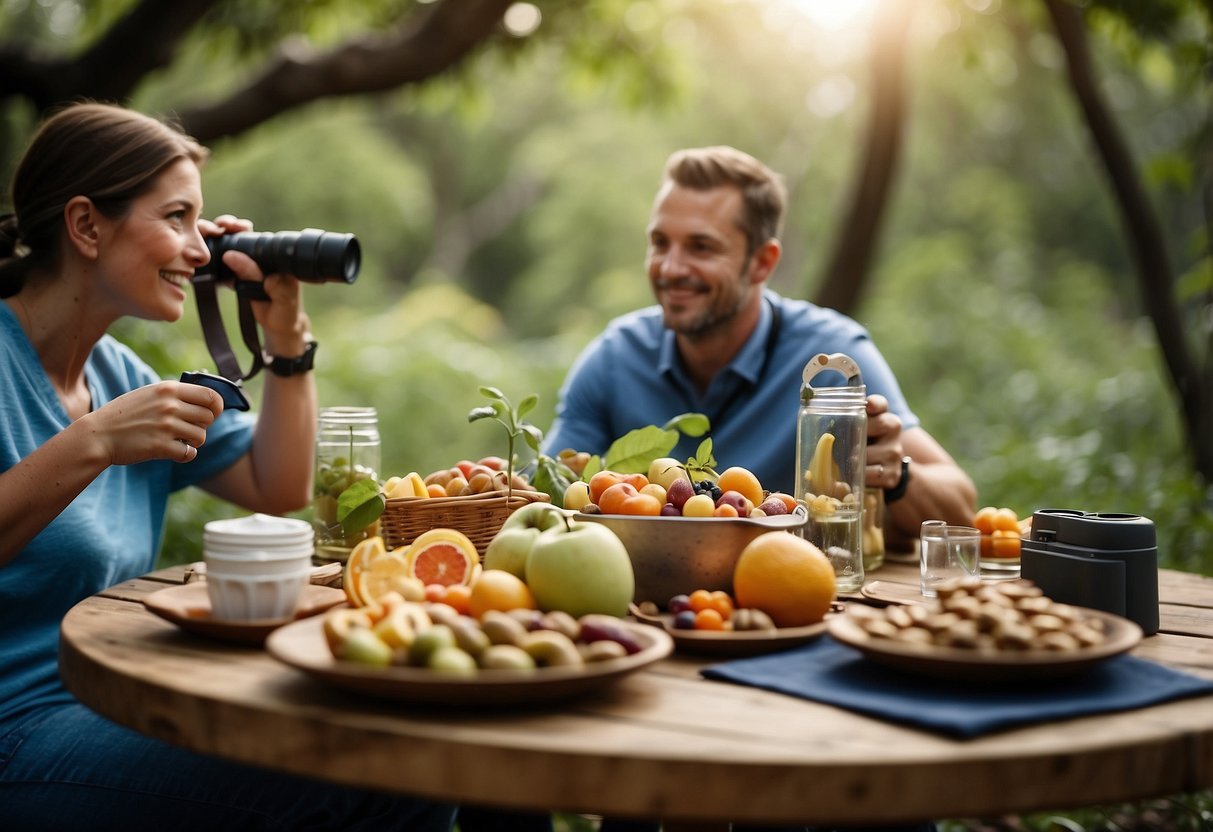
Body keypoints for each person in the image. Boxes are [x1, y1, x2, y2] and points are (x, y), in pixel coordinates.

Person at [0, 101, 454, 830]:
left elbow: (277, 487)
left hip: (120, 699)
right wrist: (92, 442)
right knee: (359, 766)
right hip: (18, 733)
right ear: (86, 226)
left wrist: (285, 337)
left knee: (408, 752)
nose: (197, 250)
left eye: (198, 223)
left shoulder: (119, 372)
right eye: (176, 218)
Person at [544, 145, 975, 548]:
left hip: (794, 598)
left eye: (701, 247)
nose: (671, 267)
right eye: (660, 243)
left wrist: (896, 475)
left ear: (762, 262)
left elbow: (961, 511)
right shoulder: (613, 359)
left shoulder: (830, 358)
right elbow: (543, 491)